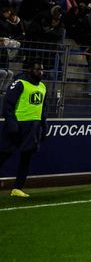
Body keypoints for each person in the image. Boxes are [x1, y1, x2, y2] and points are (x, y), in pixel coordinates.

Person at [0, 63, 49, 197]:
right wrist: (12, 125)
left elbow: (43, 109)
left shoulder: (43, 86)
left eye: (42, 70)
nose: (41, 72)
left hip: (33, 128)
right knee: (3, 155)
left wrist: (44, 126)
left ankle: (17, 188)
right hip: (17, 125)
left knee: (26, 158)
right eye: (38, 69)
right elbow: (7, 106)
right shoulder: (20, 83)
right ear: (30, 70)